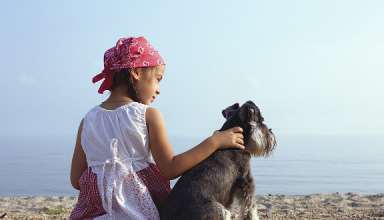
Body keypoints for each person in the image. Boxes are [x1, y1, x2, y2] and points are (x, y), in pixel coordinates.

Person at [69, 36, 245, 220]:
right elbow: (170, 168)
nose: (158, 89)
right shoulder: (147, 115)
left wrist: (109, 181)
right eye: (157, 79)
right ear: (136, 72)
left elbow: (76, 179)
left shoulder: (88, 120)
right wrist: (214, 141)